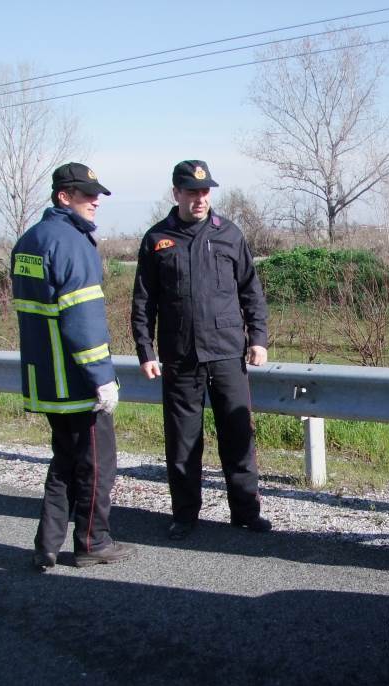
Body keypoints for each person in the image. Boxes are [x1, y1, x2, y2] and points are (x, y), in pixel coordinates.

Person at [131, 159, 271, 540]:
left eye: (205, 191)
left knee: (238, 436)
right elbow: (144, 302)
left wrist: (258, 338)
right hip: (181, 357)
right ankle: (185, 515)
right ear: (176, 193)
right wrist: (146, 351)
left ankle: (245, 511)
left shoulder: (229, 234)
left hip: (227, 354)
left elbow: (251, 292)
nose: (200, 198)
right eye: (192, 191)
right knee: (183, 442)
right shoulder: (157, 239)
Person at [12, 162, 136, 570]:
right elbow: (83, 321)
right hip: (77, 382)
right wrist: (102, 378)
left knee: (64, 462)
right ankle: (92, 542)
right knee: (98, 465)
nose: (95, 200)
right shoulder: (72, 242)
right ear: (64, 197)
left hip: (45, 381)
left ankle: (46, 544)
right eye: (86, 194)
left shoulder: (29, 241)